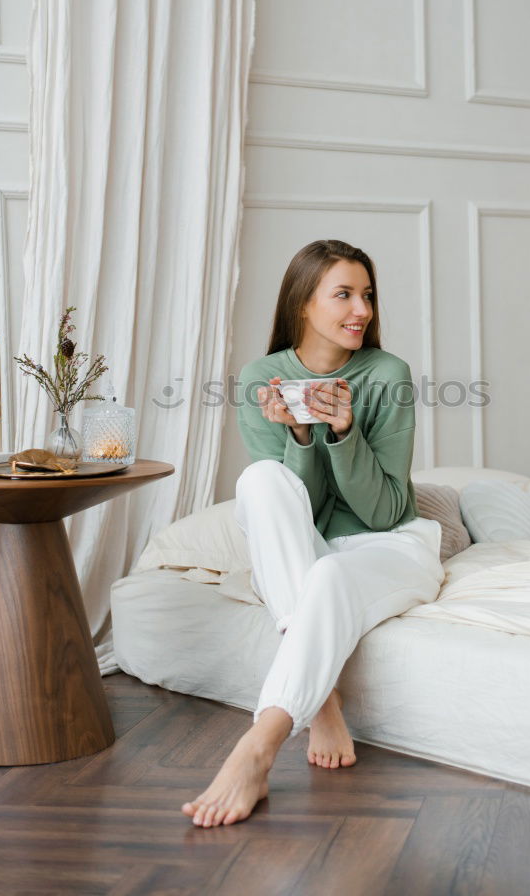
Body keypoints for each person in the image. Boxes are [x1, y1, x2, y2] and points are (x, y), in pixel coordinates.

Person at [182, 239, 444, 828]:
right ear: (303, 303)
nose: (363, 311)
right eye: (345, 295)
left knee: (329, 572)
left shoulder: (386, 374)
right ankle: (321, 697)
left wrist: (345, 431)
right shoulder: (263, 378)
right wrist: (301, 436)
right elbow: (309, 514)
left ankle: (259, 744)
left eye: (367, 295)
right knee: (261, 479)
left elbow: (383, 512)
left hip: (392, 546)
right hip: (314, 541)